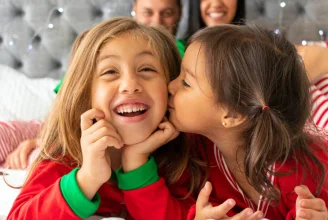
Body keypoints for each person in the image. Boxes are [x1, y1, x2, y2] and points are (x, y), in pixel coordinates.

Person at [167, 24, 328, 219]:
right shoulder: (199, 144)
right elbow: (186, 203)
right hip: (268, 127)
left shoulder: (300, 175)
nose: (170, 86)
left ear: (232, 115)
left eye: (186, 82)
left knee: (312, 93)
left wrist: (322, 217)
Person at [7, 17, 194, 219]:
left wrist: (136, 163)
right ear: (85, 94)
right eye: (110, 71)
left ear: (170, 88)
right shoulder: (65, 157)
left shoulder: (181, 157)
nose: (130, 85)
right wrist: (87, 178)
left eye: (147, 69)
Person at [2, 0, 186, 169]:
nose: (157, 20)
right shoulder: (103, 43)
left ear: (179, 13)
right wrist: (46, 139)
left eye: (166, 13)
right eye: (148, 12)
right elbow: (66, 100)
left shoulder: (179, 54)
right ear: (135, 10)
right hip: (58, 123)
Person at [193, 0, 328, 156]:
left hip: (263, 100)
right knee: (298, 85)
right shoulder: (188, 50)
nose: (216, 3)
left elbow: (326, 56)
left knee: (305, 78)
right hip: (242, 112)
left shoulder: (253, 44)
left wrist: (287, 75)